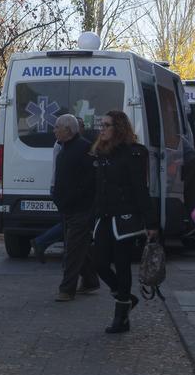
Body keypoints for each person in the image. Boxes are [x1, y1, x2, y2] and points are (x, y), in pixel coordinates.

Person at [90, 110, 158, 334]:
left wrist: (150, 222)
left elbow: (140, 189)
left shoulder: (133, 153)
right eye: (101, 125)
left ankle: (121, 318)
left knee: (122, 264)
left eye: (106, 125)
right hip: (104, 216)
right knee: (98, 262)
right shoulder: (101, 152)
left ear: (118, 128)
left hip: (125, 216)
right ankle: (125, 297)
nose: (102, 129)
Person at [51, 114, 99, 300]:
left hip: (81, 208)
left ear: (68, 130)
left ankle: (66, 289)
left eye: (57, 127)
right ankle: (90, 281)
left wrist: (73, 197)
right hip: (67, 207)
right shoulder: (63, 148)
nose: (54, 130)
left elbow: (90, 180)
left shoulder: (84, 148)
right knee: (79, 246)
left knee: (72, 249)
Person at [33, 117, 86, 261]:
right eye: (80, 125)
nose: (82, 129)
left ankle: (45, 244)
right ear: (72, 129)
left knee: (68, 223)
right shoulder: (62, 145)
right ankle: (42, 242)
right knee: (68, 222)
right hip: (60, 187)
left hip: (61, 187)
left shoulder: (74, 144)